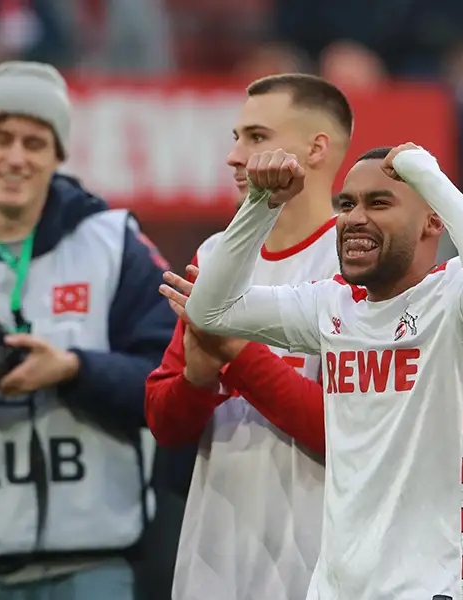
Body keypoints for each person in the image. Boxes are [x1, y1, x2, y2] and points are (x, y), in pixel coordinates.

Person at [162, 143, 463, 599]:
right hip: (335, 588)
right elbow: (211, 310)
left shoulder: (459, 302)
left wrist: (428, 176)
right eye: (347, 203)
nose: (355, 218)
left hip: (435, 585)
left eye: (379, 202)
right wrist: (261, 203)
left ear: (434, 221)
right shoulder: (333, 306)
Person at [0, 61, 174, 599]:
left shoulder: (115, 245)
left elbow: (169, 385)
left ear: (58, 155)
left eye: (35, 141)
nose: (16, 157)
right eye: (1, 138)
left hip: (91, 557)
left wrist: (74, 369)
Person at [144, 73, 351, 600]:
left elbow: (349, 431)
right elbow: (164, 423)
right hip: (214, 558)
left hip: (320, 561)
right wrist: (197, 376)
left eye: (256, 137)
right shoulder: (215, 256)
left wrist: (235, 351)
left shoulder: (354, 262)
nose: (235, 156)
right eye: (236, 138)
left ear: (316, 148)